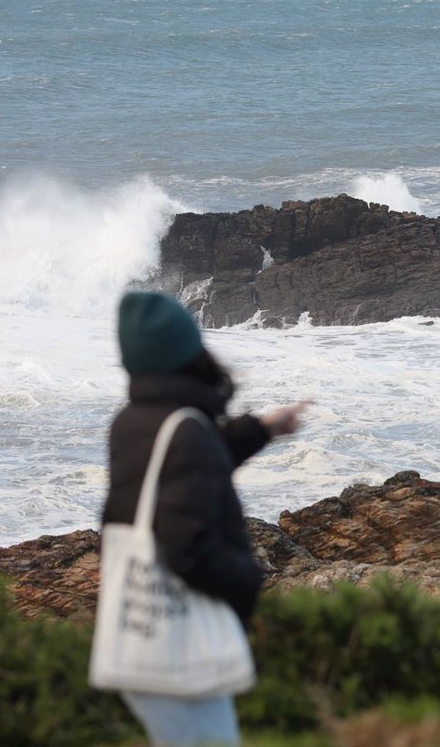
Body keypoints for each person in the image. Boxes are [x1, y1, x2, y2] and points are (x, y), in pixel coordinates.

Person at [101, 291, 308, 747]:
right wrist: (249, 580)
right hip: (177, 653)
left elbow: (186, 474)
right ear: (189, 352)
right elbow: (186, 545)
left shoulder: (132, 422)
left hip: (139, 635)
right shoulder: (188, 430)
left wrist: (263, 429)